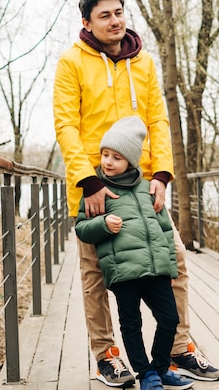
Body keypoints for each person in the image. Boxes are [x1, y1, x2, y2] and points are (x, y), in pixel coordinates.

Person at [53, 0, 219, 388]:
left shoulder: (143, 63)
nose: (114, 21)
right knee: (96, 275)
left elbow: (159, 122)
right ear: (87, 23)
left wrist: (162, 175)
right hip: (94, 190)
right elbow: (67, 126)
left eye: (118, 12)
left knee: (175, 263)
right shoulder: (71, 63)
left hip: (144, 187)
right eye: (104, 15)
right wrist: (88, 181)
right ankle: (106, 356)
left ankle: (179, 349)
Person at [75, 116, 194, 390]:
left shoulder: (148, 188)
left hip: (156, 271)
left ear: (130, 161)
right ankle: (145, 373)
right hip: (124, 271)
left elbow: (164, 231)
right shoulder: (96, 191)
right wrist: (103, 224)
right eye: (105, 154)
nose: (107, 161)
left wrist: (170, 270)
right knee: (132, 324)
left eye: (116, 157)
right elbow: (82, 228)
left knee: (170, 319)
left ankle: (161, 367)